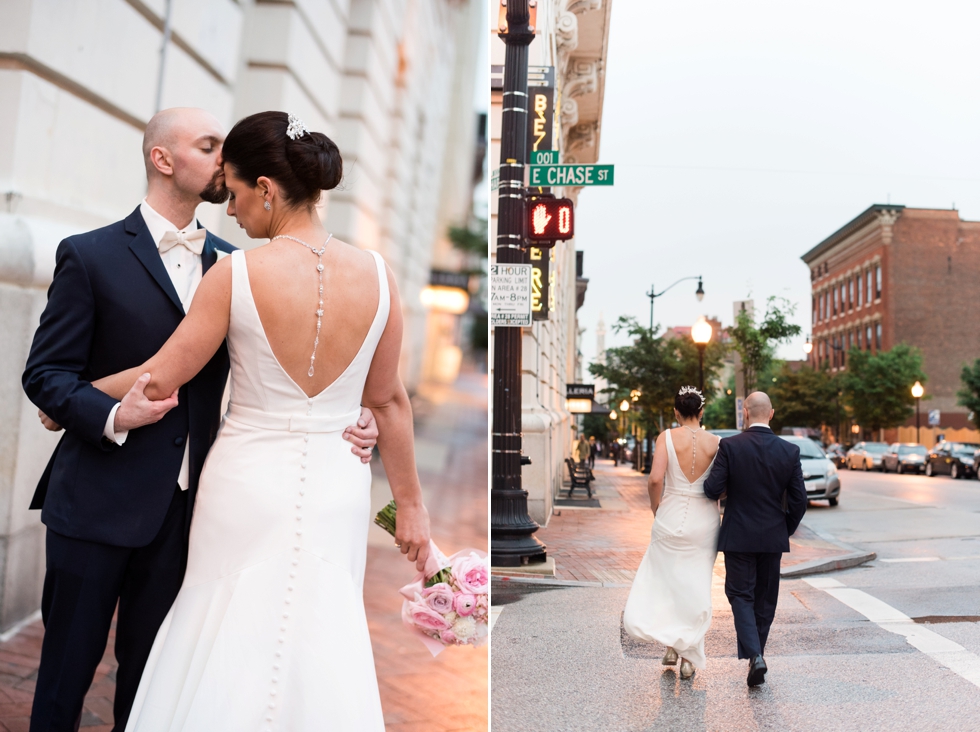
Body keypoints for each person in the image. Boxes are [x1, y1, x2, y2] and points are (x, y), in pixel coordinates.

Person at [21, 108, 379, 731]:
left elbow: (293, 364)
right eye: (210, 145)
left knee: (155, 681)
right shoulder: (89, 254)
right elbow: (45, 377)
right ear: (164, 159)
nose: (224, 158)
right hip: (96, 501)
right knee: (64, 679)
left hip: (193, 512)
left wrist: (352, 416)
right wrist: (104, 414)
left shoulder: (242, 265)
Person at [703, 391, 807, 687]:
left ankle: (756, 656)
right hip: (772, 536)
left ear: (745, 413)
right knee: (764, 600)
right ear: (771, 413)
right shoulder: (789, 451)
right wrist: (783, 529)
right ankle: (756, 655)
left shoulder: (731, 446)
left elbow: (712, 489)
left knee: (739, 595)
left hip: (738, 535)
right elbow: (799, 502)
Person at [623, 386, 721, 680]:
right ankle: (687, 657)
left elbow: (655, 479)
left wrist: (657, 509)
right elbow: (722, 487)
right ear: (702, 412)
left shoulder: (665, 437)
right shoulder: (717, 442)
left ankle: (671, 647)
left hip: (671, 513)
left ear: (676, 412)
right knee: (696, 585)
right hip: (704, 520)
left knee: (668, 583)